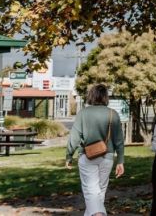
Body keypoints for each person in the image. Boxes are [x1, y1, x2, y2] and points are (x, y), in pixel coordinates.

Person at [65, 84, 125, 216]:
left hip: (87, 156)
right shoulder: (112, 114)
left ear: (91, 95)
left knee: (91, 190)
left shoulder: (83, 113)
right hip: (107, 157)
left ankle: (98, 214)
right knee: (99, 191)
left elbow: (74, 138)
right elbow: (119, 140)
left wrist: (69, 156)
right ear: (105, 97)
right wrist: (120, 161)